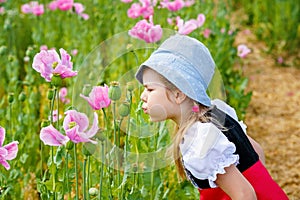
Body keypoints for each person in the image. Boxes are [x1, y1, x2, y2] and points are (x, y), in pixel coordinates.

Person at [135, 34, 288, 200]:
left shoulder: (201, 141)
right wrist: (263, 187)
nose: (143, 96)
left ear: (178, 95)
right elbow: (256, 151)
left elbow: (245, 195)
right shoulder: (217, 115)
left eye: (149, 89)